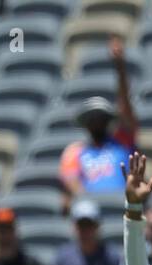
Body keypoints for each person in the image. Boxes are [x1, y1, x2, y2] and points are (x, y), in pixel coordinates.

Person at [59, 37, 138, 200]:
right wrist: (90, 201)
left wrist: (120, 68)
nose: (96, 122)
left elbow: (125, 107)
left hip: (123, 204)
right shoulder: (75, 151)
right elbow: (71, 180)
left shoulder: (123, 142)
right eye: (91, 119)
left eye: (100, 118)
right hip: (90, 211)